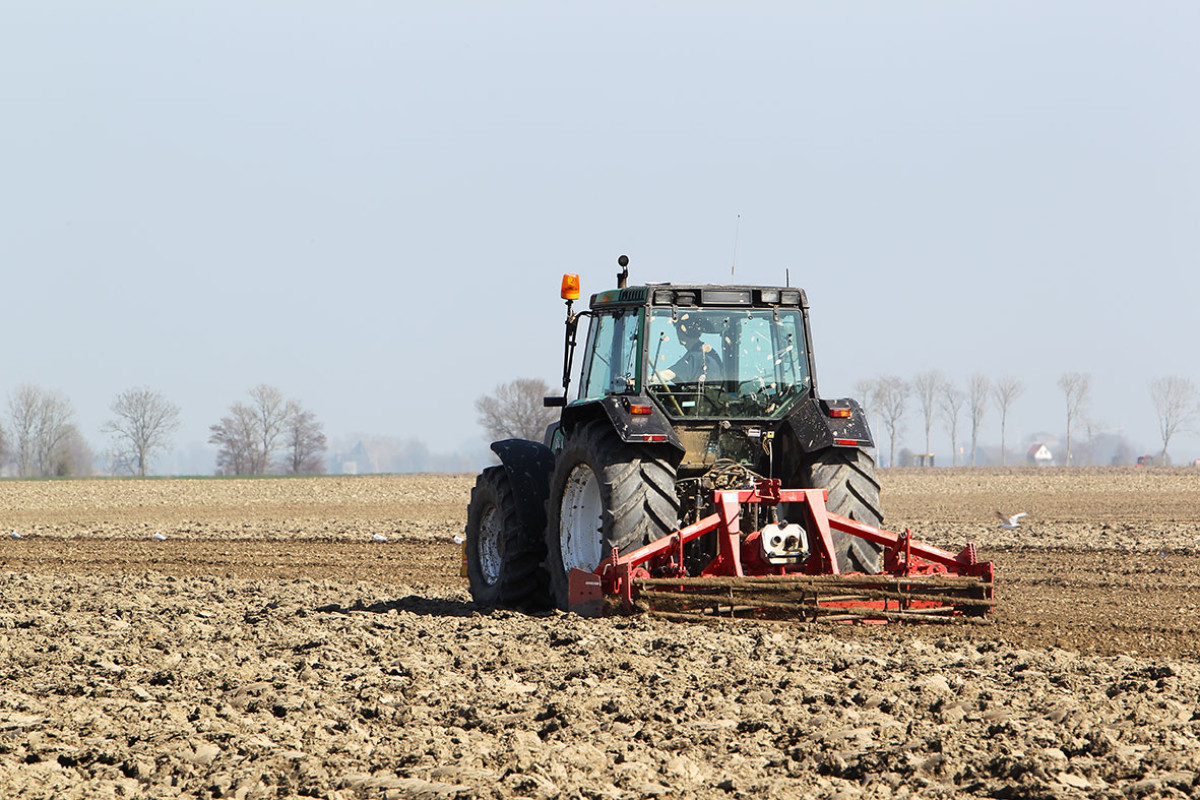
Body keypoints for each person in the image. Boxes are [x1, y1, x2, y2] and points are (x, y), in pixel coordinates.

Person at [656, 318, 722, 383]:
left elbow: (668, 375)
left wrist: (648, 380)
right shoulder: (710, 353)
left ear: (683, 331)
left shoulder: (695, 355)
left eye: (678, 328)